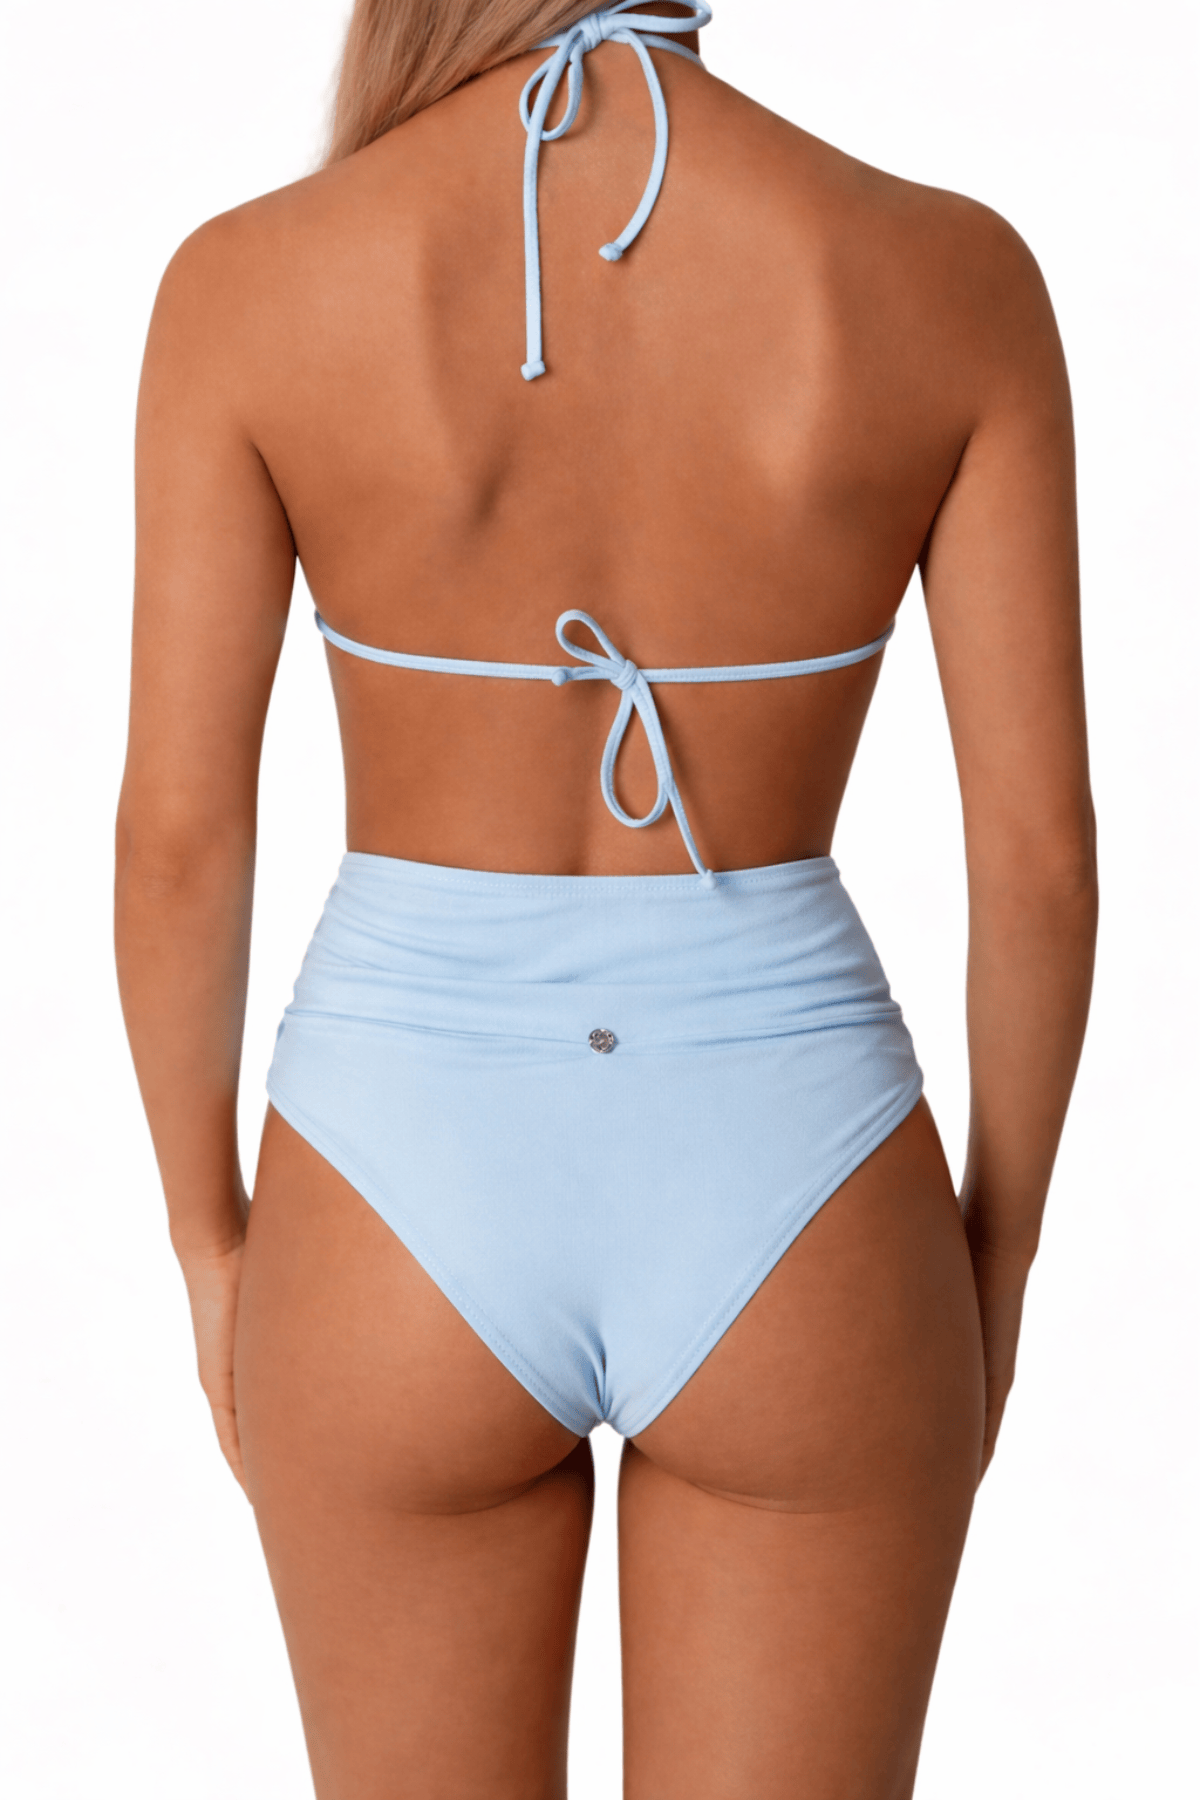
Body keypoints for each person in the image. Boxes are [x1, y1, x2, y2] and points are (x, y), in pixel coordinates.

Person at [114, 2, 1097, 1793]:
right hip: (801, 1166)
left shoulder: (249, 283)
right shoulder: (949, 275)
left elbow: (180, 838)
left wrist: (209, 1241)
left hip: (395, 1160)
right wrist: (997, 1253)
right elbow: (1035, 856)